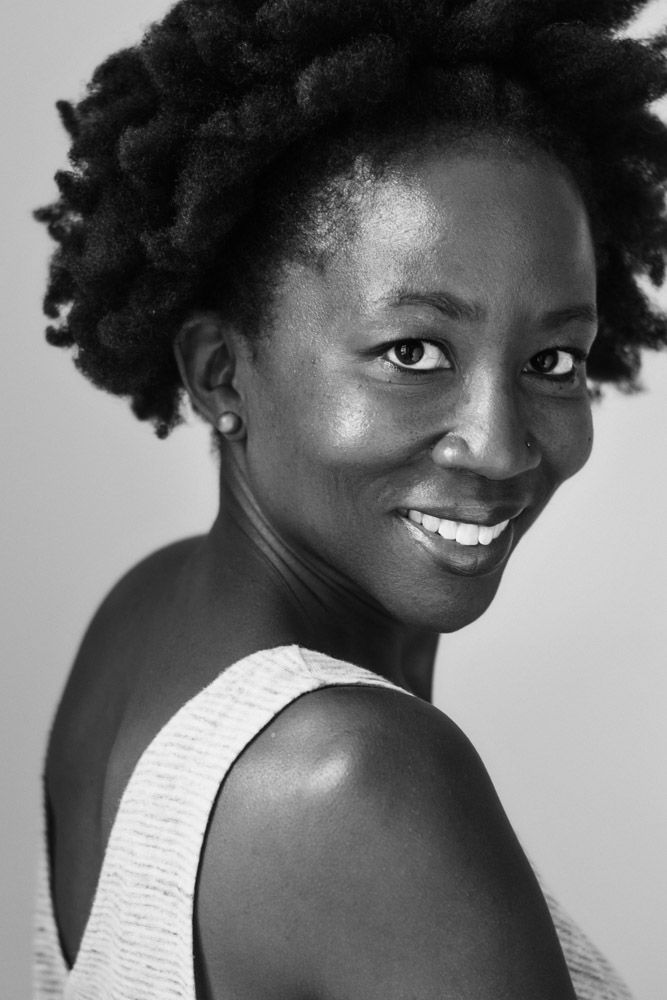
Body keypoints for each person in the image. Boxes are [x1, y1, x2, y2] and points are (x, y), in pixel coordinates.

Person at [33, 1, 667, 998]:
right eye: (411, 351)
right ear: (220, 371)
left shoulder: (148, 611)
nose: (500, 446)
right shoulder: (362, 776)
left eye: (552, 360)